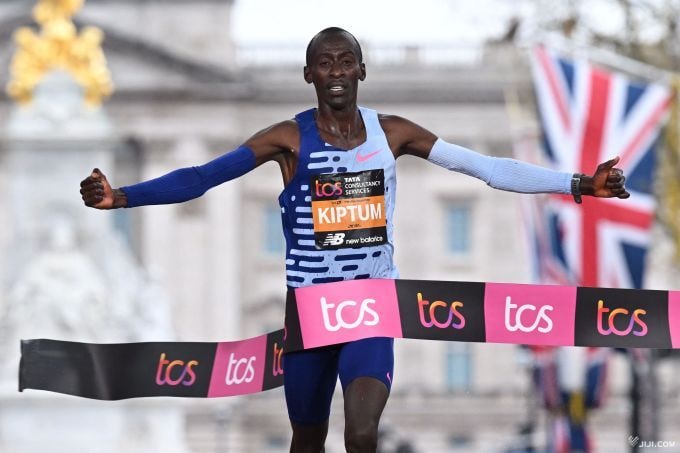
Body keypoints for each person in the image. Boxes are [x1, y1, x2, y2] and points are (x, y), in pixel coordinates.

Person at [80, 27, 629, 453]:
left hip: (370, 305)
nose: (337, 72)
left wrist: (579, 184)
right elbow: (202, 176)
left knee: (363, 434)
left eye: (346, 62)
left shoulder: (393, 133)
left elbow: (485, 167)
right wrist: (121, 197)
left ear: (362, 70)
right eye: (325, 64)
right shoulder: (288, 139)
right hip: (310, 313)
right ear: (309, 75)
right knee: (307, 440)